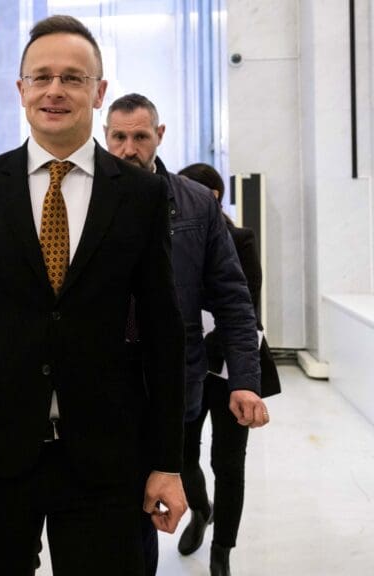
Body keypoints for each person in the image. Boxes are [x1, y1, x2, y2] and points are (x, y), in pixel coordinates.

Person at [0, 15, 187, 575]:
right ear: (21, 90)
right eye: (41, 77)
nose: (55, 90)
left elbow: (164, 330)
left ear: (98, 91)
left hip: (106, 453)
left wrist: (167, 460)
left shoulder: (140, 195)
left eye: (72, 77)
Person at [104, 92, 266, 575]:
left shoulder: (196, 204)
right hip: (102, 380)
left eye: (140, 136)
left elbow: (234, 298)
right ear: (104, 137)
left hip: (177, 381)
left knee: (158, 489)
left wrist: (245, 378)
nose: (129, 148)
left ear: (160, 136)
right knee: (113, 506)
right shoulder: (86, 197)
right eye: (118, 137)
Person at [178, 162, 280, 576]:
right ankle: (201, 511)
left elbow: (244, 306)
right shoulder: (172, 236)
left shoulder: (240, 239)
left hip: (230, 369)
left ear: (214, 197)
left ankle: (223, 551)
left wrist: (211, 347)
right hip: (188, 368)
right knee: (183, 455)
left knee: (229, 463)